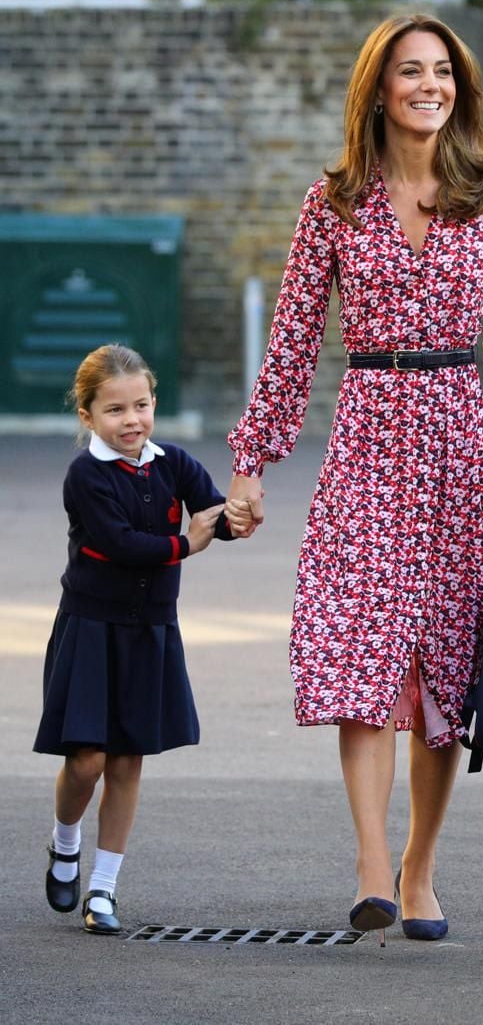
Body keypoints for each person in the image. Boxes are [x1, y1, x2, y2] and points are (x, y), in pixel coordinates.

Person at [225, 13, 483, 943]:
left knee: (446, 669)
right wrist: (251, 461)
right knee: (361, 647)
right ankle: (372, 861)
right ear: (378, 87)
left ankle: (420, 866)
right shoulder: (331, 202)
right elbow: (291, 344)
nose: (429, 86)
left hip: (456, 446)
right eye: (410, 71)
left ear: (460, 87)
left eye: (442, 72)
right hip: (367, 438)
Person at [35, 344, 234, 935]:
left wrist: (237, 518)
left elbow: (213, 511)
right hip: (91, 627)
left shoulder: (171, 461)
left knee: (126, 761)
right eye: (116, 409)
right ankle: (64, 840)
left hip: (151, 630)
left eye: (141, 405)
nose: (132, 420)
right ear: (88, 416)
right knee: (86, 760)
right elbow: (119, 544)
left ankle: (102, 891)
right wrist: (186, 543)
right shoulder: (85, 476)